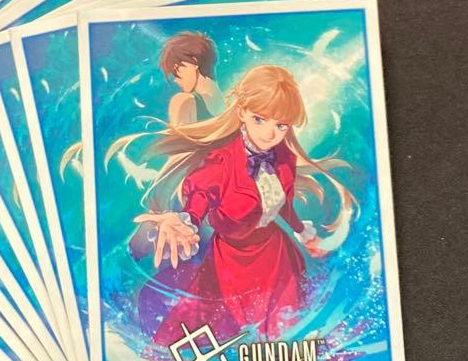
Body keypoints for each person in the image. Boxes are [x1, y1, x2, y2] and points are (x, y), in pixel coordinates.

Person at [133, 64, 354, 344]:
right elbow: (201, 195)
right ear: (242, 113)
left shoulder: (283, 157)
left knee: (285, 330)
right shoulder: (222, 162)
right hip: (232, 261)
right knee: (208, 326)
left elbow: (283, 205)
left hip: (276, 255)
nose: (270, 134)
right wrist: (186, 220)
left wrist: (303, 232)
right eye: (260, 119)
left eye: (281, 125)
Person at [158, 32, 224, 126]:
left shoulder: (183, 101)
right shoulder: (231, 101)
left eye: (177, 70)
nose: (176, 80)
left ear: (193, 62)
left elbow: (178, 136)